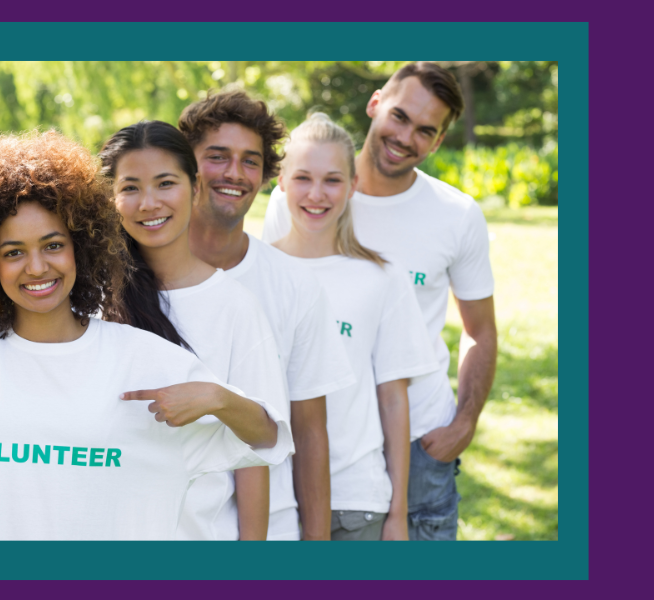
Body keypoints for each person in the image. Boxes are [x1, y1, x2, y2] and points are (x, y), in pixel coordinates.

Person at [0, 130, 292, 540]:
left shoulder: (146, 360)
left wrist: (220, 398)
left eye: (53, 245)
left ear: (82, 246)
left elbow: (269, 439)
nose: (37, 267)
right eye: (13, 252)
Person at [263, 62, 498, 540]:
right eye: (399, 116)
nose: (406, 136)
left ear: (437, 142)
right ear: (375, 105)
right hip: (316, 437)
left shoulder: (456, 216)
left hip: (418, 439)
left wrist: (465, 422)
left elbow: (481, 332)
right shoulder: (299, 200)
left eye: (425, 130)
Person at [98, 120, 288, 541]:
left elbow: (263, 441)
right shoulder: (87, 301)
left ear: (196, 187)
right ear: (109, 199)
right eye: (130, 188)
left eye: (166, 183)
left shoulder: (236, 308)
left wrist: (216, 398)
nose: (149, 202)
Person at [179, 91, 356, 541]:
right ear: (187, 164)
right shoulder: (136, 276)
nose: (234, 173)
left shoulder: (294, 285)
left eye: (250, 161)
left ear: (265, 176)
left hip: (272, 529)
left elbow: (310, 431)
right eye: (217, 157)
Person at [271, 113, 439, 541]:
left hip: (355, 502)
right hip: (271, 499)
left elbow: (393, 399)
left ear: (353, 185)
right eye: (303, 178)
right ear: (281, 181)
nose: (316, 194)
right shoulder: (255, 270)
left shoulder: (381, 277)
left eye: (332, 180)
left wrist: (398, 514)